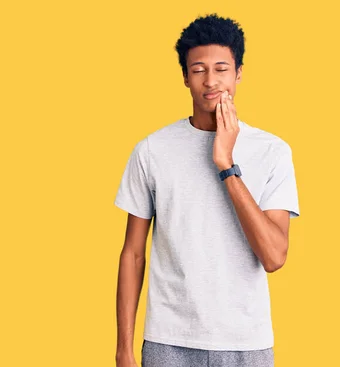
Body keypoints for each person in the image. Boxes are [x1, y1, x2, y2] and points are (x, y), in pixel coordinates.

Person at [114, 13, 300, 367]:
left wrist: (226, 164)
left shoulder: (273, 151)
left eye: (221, 69)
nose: (211, 81)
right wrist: (123, 349)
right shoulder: (153, 150)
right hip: (169, 341)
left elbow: (275, 256)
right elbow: (132, 254)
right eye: (198, 69)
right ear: (185, 76)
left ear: (239, 73)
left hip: (247, 341)